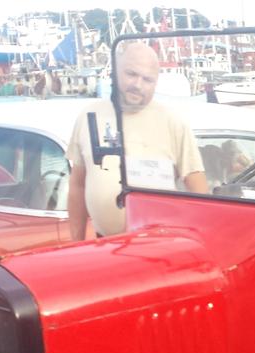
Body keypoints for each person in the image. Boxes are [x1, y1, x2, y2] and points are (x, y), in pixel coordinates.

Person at [67, 41, 208, 240]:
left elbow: (200, 192)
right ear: (116, 72)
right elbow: (77, 186)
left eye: (147, 79)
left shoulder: (173, 123)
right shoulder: (89, 116)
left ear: (156, 83)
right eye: (131, 74)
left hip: (158, 249)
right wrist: (76, 243)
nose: (138, 85)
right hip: (104, 248)